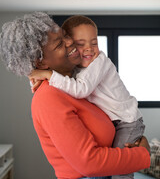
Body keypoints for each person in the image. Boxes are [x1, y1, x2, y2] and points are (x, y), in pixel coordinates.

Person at [0, 12, 150, 179]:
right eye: (59, 44)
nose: (71, 41)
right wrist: (142, 154)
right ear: (41, 62)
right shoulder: (49, 97)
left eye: (65, 35)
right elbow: (89, 163)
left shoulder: (71, 83)